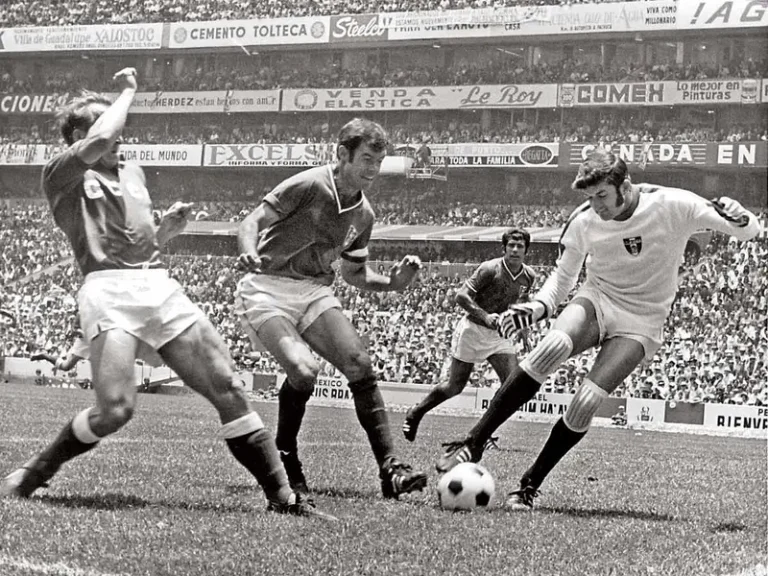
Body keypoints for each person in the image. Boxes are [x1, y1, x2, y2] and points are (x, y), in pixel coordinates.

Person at [0, 68, 332, 520]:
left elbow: (140, 246)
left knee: (229, 386)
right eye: (104, 124)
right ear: (79, 136)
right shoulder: (62, 173)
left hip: (156, 284)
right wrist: (128, 91)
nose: (118, 135)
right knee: (116, 410)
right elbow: (102, 141)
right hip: (108, 290)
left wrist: (165, 232)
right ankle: (36, 472)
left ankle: (283, 498)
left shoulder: (133, 172)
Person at [436, 149, 761, 510]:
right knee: (551, 347)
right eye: (590, 197)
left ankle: (529, 485)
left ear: (625, 185)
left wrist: (741, 215)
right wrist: (538, 308)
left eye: (602, 195)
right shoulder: (584, 220)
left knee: (586, 402)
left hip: (642, 320)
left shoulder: (674, 204)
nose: (596, 205)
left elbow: (749, 231)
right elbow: (563, 279)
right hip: (598, 298)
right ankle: (474, 441)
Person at [236, 117, 427, 499]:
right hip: (267, 286)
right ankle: (286, 458)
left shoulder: (364, 214)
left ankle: (391, 469)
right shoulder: (309, 184)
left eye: (379, 161)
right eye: (367, 159)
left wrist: (394, 283)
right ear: (342, 154)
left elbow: (354, 274)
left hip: (313, 290)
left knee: (359, 362)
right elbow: (252, 221)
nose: (373, 169)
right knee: (304, 371)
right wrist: (248, 251)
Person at [402, 228, 536, 442]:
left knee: (512, 386)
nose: (515, 250)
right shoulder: (489, 269)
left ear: (526, 250)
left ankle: (482, 433)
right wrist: (485, 316)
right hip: (473, 329)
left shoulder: (529, 275)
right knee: (454, 386)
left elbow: (523, 300)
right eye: (511, 245)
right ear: (504, 248)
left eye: (520, 246)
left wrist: (524, 330)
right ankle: (416, 412)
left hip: (499, 335)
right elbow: (461, 296)